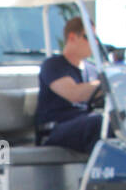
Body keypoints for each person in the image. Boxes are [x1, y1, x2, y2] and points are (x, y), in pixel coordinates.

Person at [36, 17, 103, 154]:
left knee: (113, 123)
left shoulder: (92, 70)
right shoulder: (53, 65)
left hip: (83, 124)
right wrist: (107, 84)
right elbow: (74, 94)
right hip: (55, 129)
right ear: (72, 37)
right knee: (99, 124)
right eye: (89, 37)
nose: (95, 42)